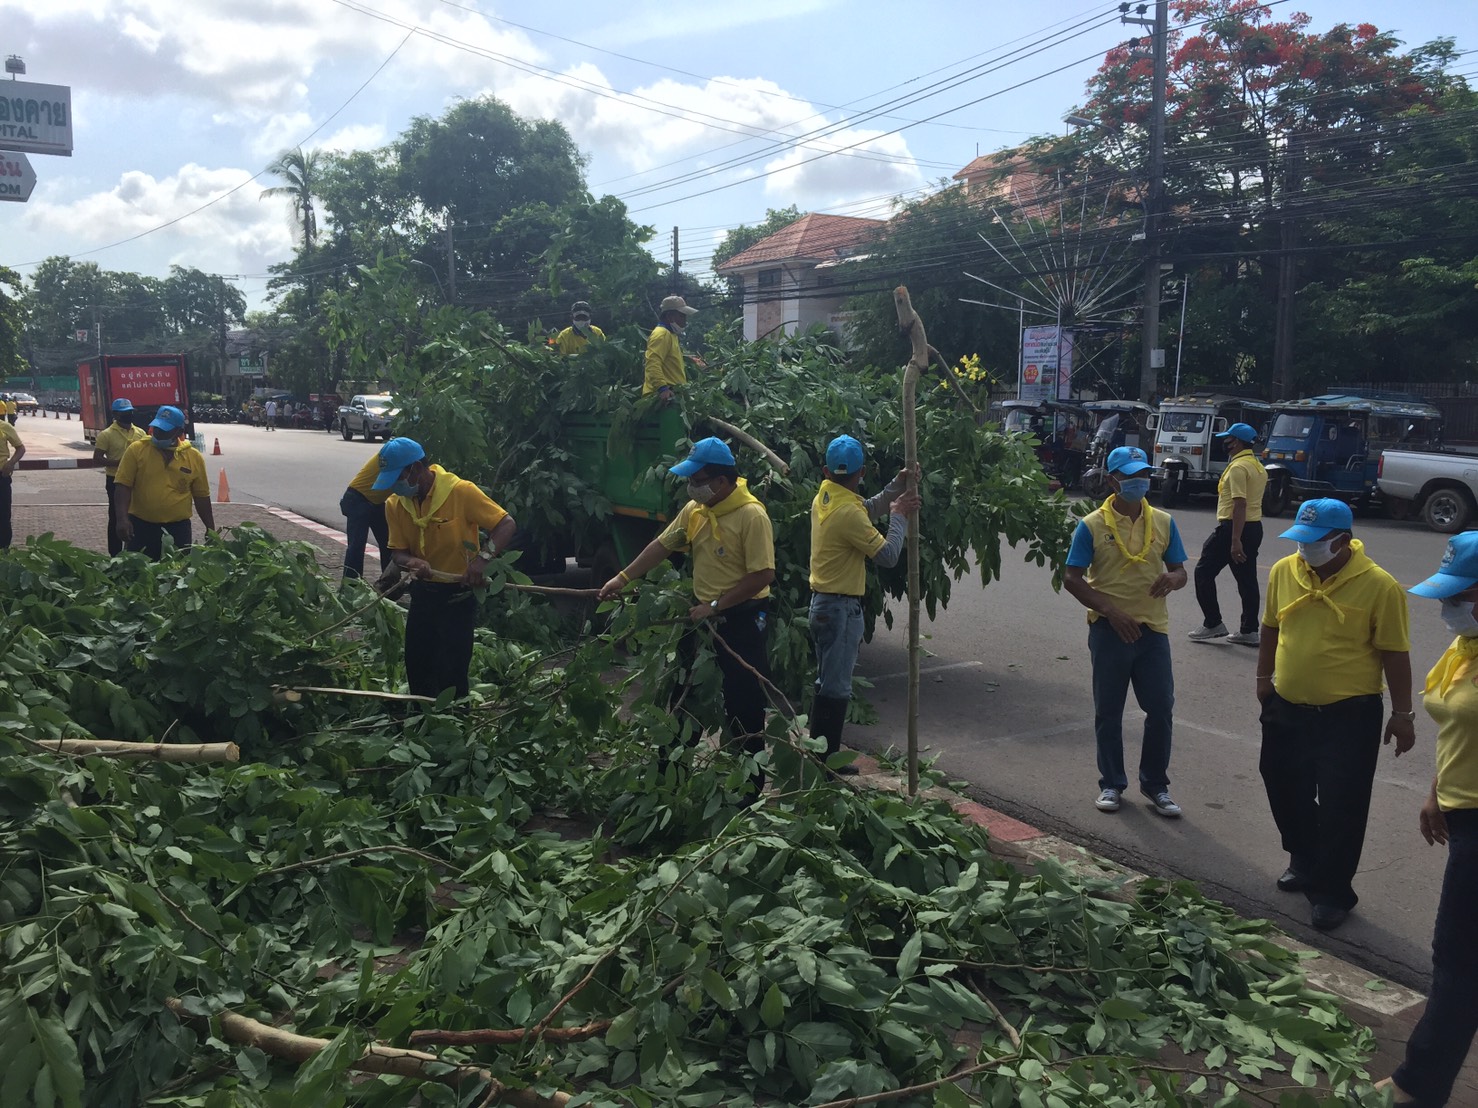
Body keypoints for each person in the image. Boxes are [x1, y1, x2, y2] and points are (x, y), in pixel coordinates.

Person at [1256, 498, 1414, 931]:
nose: (1304, 548)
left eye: (1314, 541)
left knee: (1343, 804)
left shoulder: (1379, 586)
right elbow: (1270, 626)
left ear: (1342, 540)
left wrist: (1403, 714)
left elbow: (1395, 653)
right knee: (1281, 781)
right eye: (1300, 540)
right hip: (1286, 704)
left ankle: (1332, 892)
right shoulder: (1284, 571)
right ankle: (1304, 857)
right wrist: (1262, 679)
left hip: (1349, 713)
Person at [597, 436, 775, 779]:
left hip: (742, 618)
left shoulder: (751, 516)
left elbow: (763, 574)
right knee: (684, 698)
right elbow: (662, 546)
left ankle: (748, 784)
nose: (691, 487)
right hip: (702, 616)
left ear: (722, 481)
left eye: (698, 481)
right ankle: (671, 776)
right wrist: (622, 577)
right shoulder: (696, 510)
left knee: (744, 702)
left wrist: (715, 605)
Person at [1377, 532, 1478, 1106]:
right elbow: (1458, 727)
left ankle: (1420, 1085)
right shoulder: (1466, 647)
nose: (1449, 608)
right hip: (1462, 812)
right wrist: (1437, 791)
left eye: (1460, 595)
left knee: (1459, 961)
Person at [1063, 446, 1190, 817]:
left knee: (1161, 710)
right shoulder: (1091, 525)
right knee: (1109, 711)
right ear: (1112, 480)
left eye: (1144, 475)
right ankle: (1111, 784)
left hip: (1153, 631)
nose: (1140, 482)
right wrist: (1110, 611)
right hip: (1109, 629)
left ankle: (1156, 785)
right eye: (1132, 476)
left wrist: (1174, 578)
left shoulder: (1164, 522)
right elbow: (1072, 578)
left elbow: (1180, 571)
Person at [808, 436, 920, 773]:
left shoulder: (825, 498)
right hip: (839, 609)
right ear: (862, 473)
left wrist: (896, 487)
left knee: (825, 682)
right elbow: (887, 555)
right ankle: (827, 762)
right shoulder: (846, 512)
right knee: (836, 688)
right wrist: (899, 515)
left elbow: (866, 507)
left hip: (824, 605)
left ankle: (819, 753)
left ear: (826, 470)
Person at [377, 438, 517, 699]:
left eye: (398, 478)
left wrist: (482, 559)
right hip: (423, 592)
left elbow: (506, 524)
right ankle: (423, 723)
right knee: (418, 663)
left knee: (451, 669)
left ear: (417, 469)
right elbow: (398, 553)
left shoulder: (460, 492)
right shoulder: (395, 504)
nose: (395, 487)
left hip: (458, 594)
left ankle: (456, 726)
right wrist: (412, 562)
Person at [1190, 422, 1268, 646]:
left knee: (1203, 572)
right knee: (1246, 580)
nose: (1225, 443)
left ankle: (1213, 623)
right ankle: (1249, 630)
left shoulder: (1237, 468)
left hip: (1233, 528)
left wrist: (1234, 540)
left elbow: (1240, 504)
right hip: (1253, 528)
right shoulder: (1256, 465)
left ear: (1237, 442)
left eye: (1228, 439)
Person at [113, 405, 215, 559]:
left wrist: (210, 528)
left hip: (178, 530)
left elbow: (201, 496)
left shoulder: (193, 457)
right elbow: (123, 486)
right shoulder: (137, 450)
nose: (159, 433)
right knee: (139, 575)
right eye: (157, 428)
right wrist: (122, 519)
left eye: (165, 430)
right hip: (142, 527)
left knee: (175, 575)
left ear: (179, 432)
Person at [92, 398, 147, 557]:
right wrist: (118, 463)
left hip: (136, 481)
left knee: (136, 516)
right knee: (117, 517)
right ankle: (115, 554)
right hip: (115, 480)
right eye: (124, 413)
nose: (128, 415)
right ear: (115, 415)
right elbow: (97, 459)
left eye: (129, 412)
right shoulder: (106, 435)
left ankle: (134, 550)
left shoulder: (140, 433)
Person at [340, 446, 394, 581]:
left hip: (376, 502)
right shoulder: (396, 453)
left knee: (389, 543)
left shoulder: (406, 455)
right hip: (358, 499)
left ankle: (388, 582)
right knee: (357, 546)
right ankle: (351, 587)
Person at [643, 295, 698, 404]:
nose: (685, 321)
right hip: (661, 397)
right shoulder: (661, 334)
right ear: (670, 316)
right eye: (682, 316)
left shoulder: (671, 335)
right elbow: (652, 362)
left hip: (672, 395)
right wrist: (662, 388)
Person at [0, 411, 24, 549]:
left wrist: (11, 463)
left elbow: (20, 448)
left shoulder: (4, 427)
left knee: (3, 516)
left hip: (1, 477)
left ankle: (3, 552)